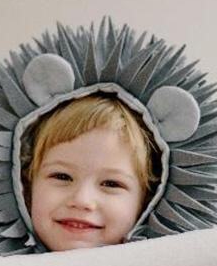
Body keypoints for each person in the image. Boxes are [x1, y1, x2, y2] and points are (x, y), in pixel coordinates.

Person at [20, 94, 160, 251]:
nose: (82, 201)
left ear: (147, 201)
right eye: (62, 176)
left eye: (111, 184)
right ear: (27, 186)